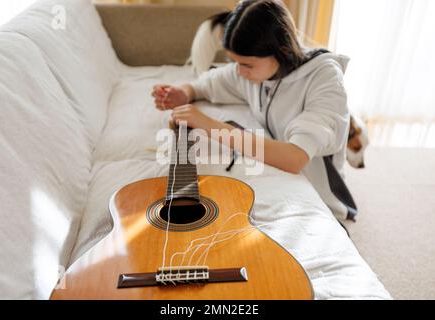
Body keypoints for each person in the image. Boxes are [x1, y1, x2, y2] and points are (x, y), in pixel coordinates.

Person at [152, 0, 357, 221]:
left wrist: (207, 124)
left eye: (246, 65)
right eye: (234, 62)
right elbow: (207, 84)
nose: (239, 72)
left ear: (283, 50)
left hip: (318, 192)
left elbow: (295, 158)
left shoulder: (324, 78)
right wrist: (183, 93)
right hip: (278, 176)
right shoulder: (257, 71)